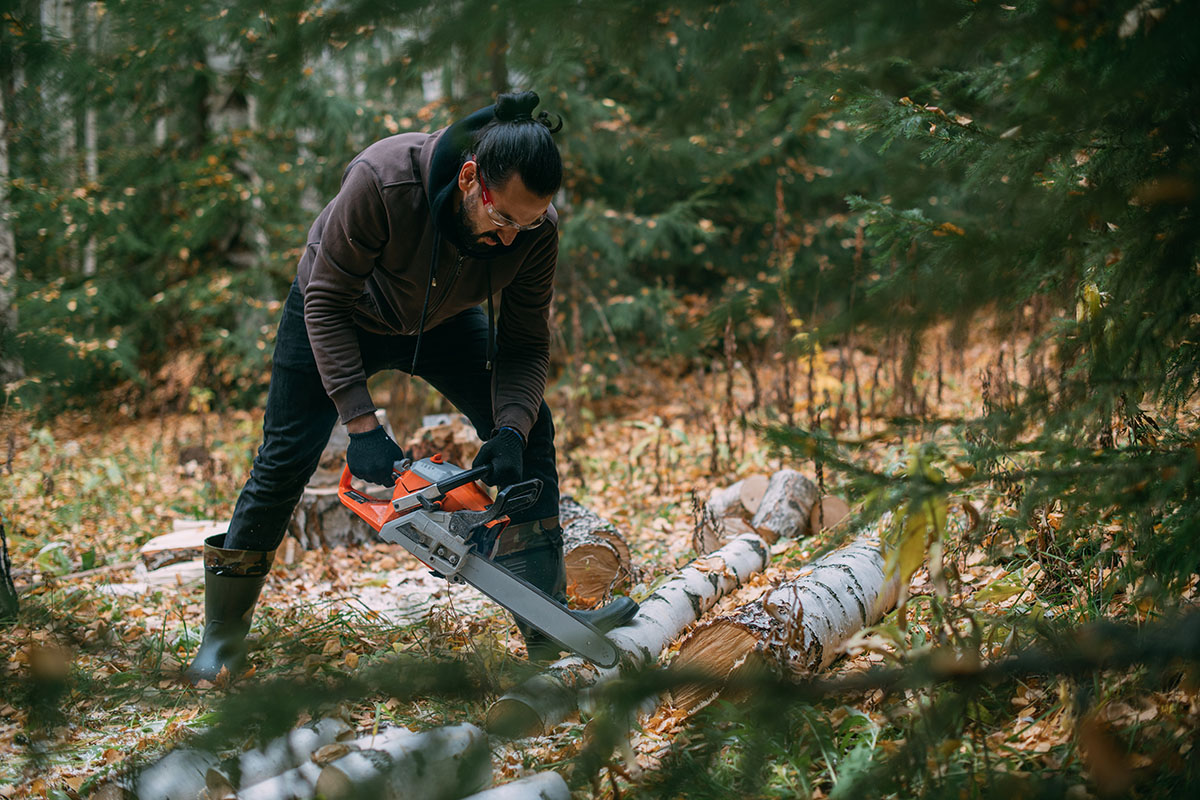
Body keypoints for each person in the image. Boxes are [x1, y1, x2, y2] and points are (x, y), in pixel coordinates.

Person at [186, 91, 637, 684]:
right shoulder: (383, 180)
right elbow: (324, 299)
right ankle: (221, 635)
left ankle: (546, 621)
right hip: (339, 310)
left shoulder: (534, 232)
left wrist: (508, 429)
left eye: (526, 225)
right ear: (472, 179)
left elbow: (524, 346)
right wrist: (361, 424)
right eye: (502, 219)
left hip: (443, 318)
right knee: (285, 457)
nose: (510, 239)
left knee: (534, 430)